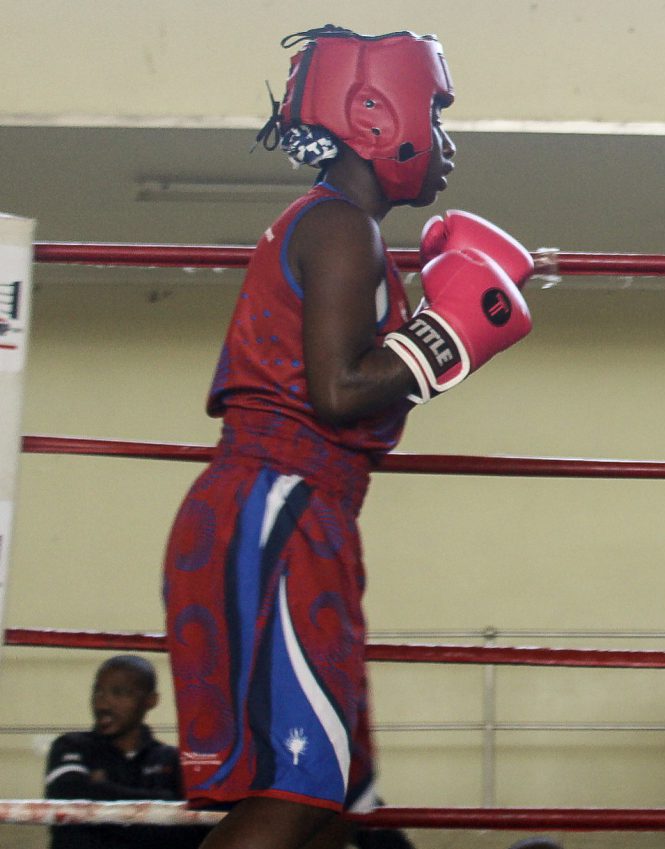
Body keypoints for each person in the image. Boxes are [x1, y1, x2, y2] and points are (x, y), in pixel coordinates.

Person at [161, 25, 546, 849]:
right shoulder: (341, 229)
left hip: (293, 508)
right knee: (295, 795)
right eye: (436, 114)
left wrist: (435, 342)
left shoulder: (338, 230)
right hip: (282, 508)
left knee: (330, 801)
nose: (446, 142)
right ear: (377, 114)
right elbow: (337, 392)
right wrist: (447, 338)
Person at [44, 655, 209, 849]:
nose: (102, 704)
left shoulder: (172, 759)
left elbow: (193, 832)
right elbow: (69, 797)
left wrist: (100, 793)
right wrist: (162, 803)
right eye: (98, 692)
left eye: (119, 693)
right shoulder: (70, 746)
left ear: (150, 700)